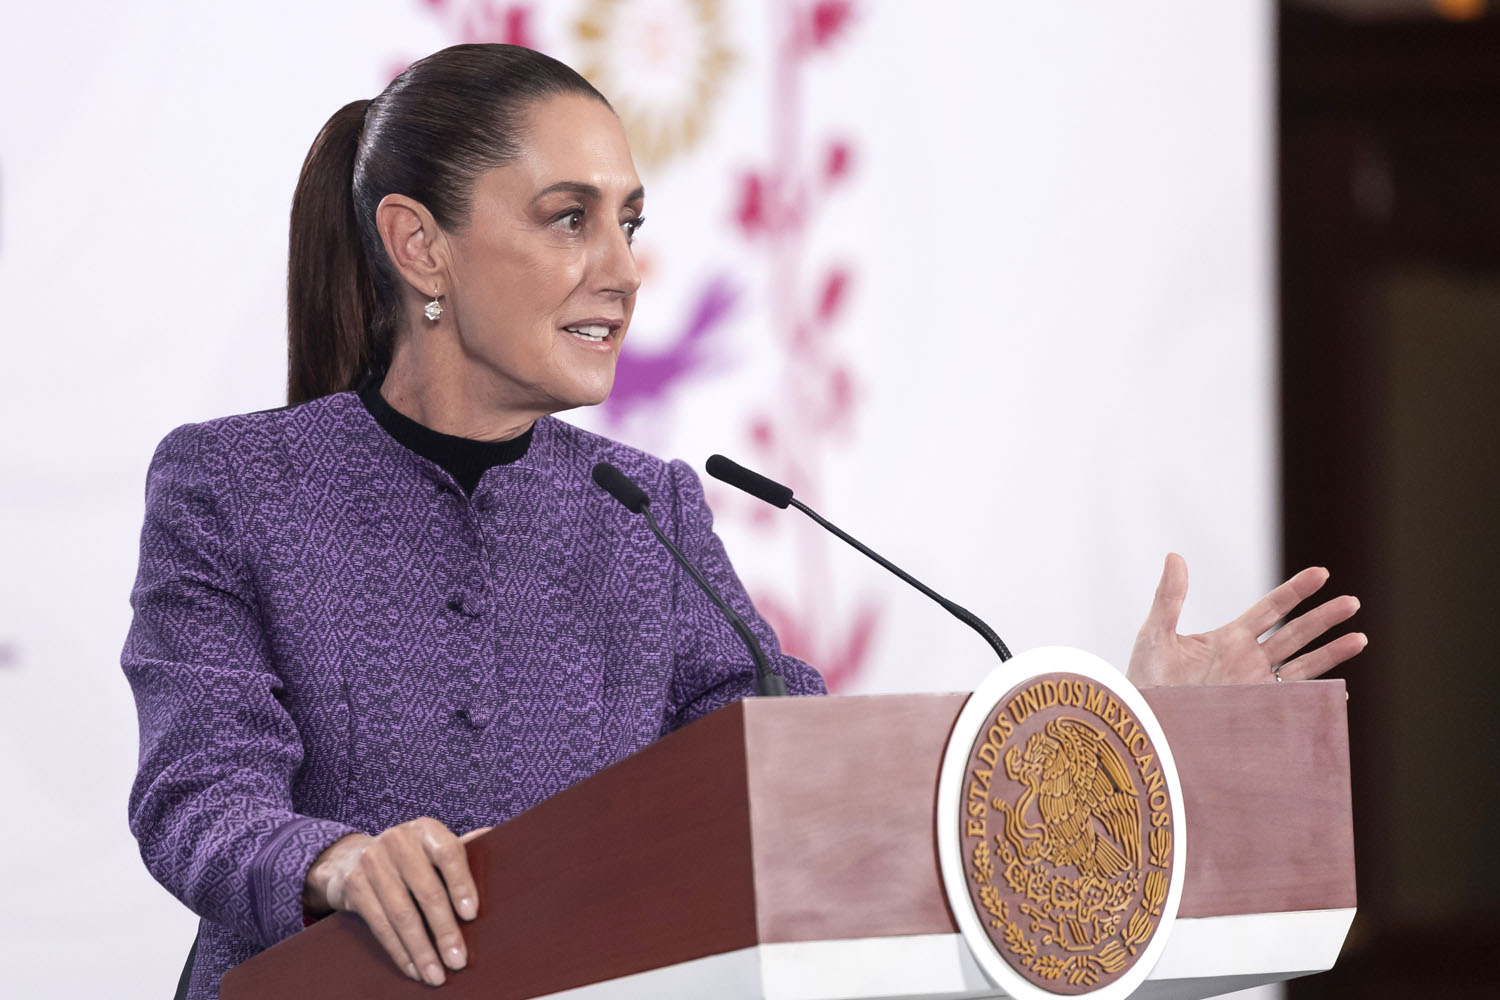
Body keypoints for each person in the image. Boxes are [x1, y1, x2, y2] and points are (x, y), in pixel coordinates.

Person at [121, 43, 1364, 1000]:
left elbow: (812, 777)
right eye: (569, 218)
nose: (625, 268)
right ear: (419, 246)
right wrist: (334, 861)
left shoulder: (643, 510)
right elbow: (197, 793)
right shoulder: (232, 486)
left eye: (630, 222)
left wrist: (1110, 736)